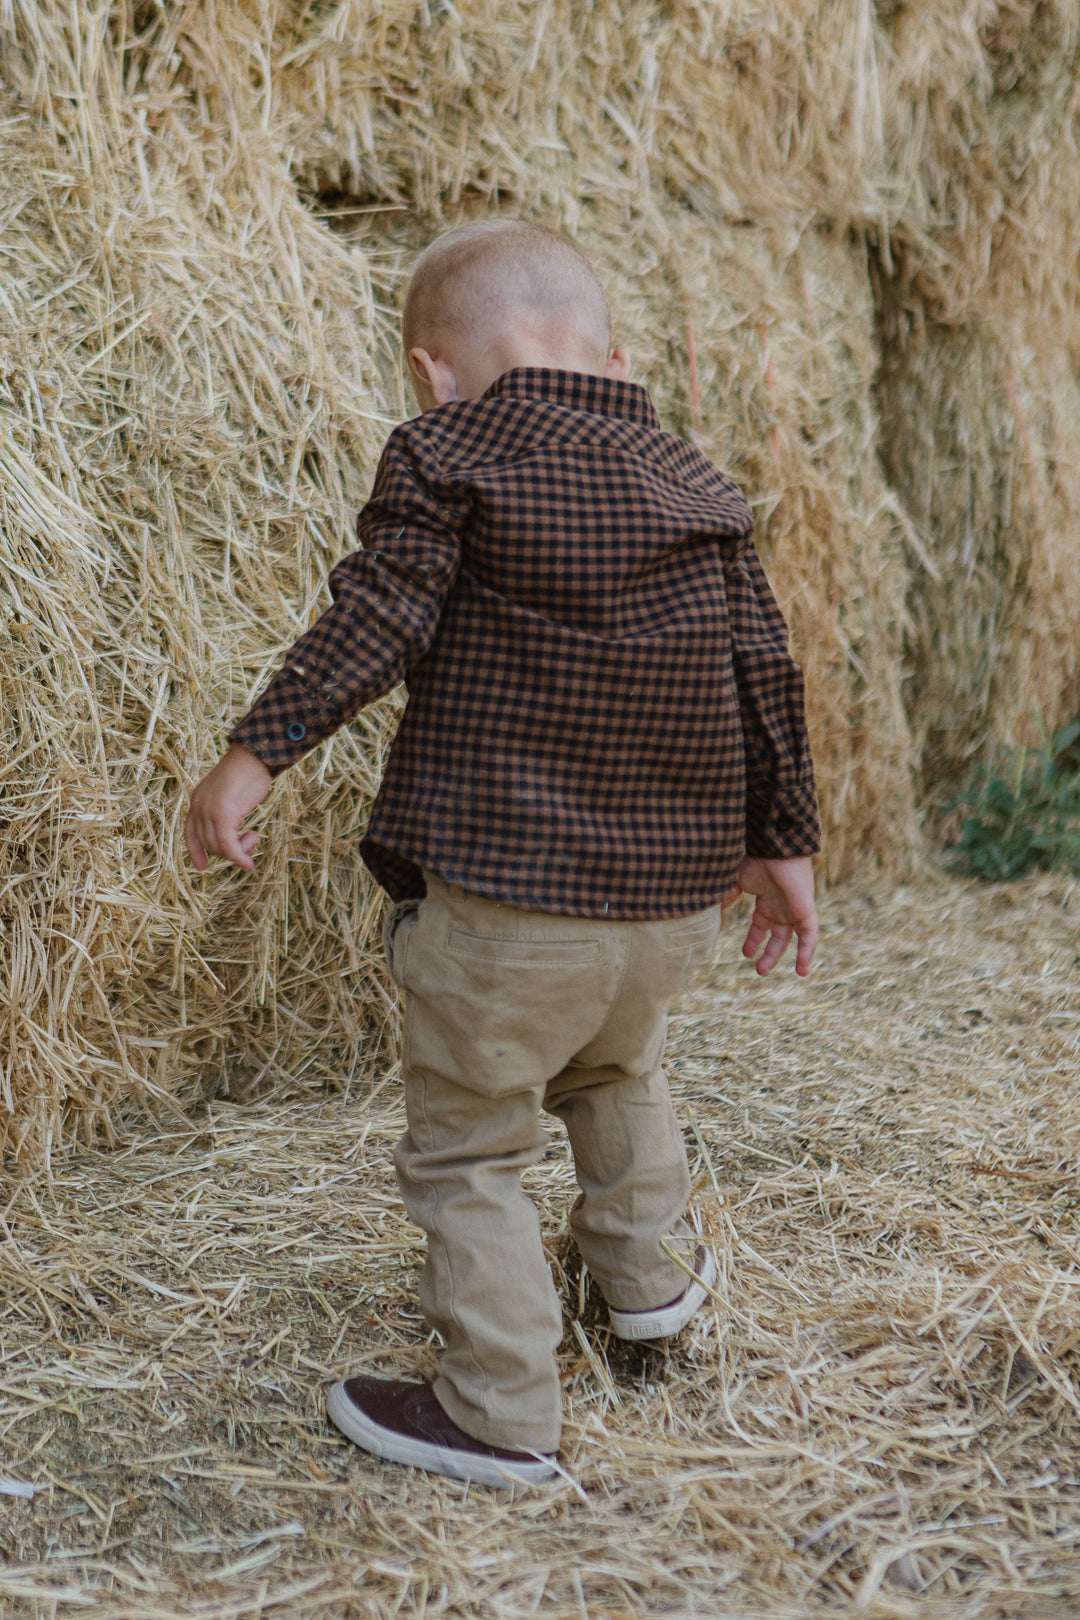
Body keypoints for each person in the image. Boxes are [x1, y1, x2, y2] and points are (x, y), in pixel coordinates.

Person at [184, 219, 821, 1488]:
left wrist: (255, 754)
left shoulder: (447, 450)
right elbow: (767, 669)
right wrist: (783, 846)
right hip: (664, 914)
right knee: (616, 1074)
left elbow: (379, 613)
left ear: (431, 371)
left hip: (505, 910)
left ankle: (497, 1410)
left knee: (471, 1149)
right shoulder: (701, 484)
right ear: (621, 356)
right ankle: (647, 1295)